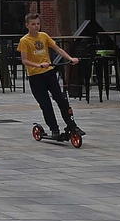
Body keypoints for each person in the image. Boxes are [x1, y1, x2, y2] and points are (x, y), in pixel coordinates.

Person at [20, 11, 80, 140]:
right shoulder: (24, 41)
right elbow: (24, 61)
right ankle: (54, 128)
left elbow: (57, 49)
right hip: (36, 76)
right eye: (33, 24)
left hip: (49, 74)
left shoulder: (44, 36)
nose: (36, 26)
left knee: (61, 99)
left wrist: (70, 58)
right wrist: (39, 65)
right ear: (27, 25)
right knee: (46, 104)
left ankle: (71, 124)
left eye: (38, 24)